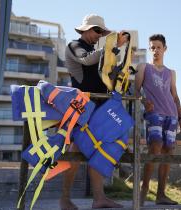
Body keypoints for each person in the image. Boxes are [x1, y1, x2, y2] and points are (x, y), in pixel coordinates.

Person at [62, 14, 127, 210]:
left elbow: (108, 73)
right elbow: (88, 60)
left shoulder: (97, 49)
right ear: (86, 29)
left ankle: (99, 197)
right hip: (83, 106)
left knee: (100, 149)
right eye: (97, 31)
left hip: (99, 105)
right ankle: (65, 198)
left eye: (102, 32)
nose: (99, 35)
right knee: (75, 149)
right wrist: (110, 47)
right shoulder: (75, 46)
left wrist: (116, 52)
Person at [135, 34, 181, 206]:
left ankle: (161, 194)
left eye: (158, 47)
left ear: (165, 48)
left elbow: (175, 97)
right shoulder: (143, 67)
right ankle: (143, 192)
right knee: (154, 147)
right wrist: (143, 102)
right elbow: (136, 93)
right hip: (154, 113)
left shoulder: (171, 73)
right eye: (152, 47)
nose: (155, 50)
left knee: (168, 151)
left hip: (171, 115)